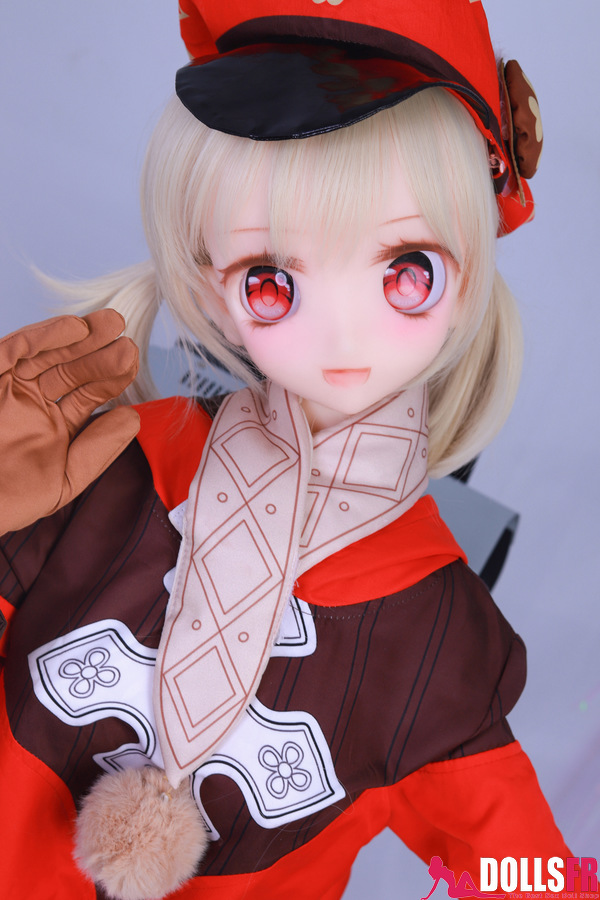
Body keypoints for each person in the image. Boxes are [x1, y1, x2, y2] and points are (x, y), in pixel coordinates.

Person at [0, 2, 572, 899]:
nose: (343, 331)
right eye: (272, 281)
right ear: (211, 287)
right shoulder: (107, 466)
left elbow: (525, 871)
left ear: (469, 278)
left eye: (407, 272)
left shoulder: (434, 632)